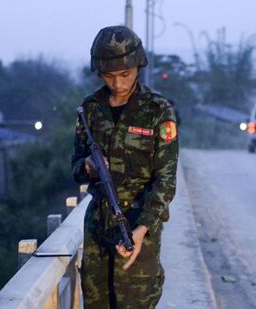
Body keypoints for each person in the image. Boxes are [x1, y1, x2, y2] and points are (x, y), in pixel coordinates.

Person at [71, 25, 179, 309]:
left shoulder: (158, 111)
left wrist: (143, 228)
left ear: (138, 66)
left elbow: (166, 181)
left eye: (125, 75)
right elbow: (74, 169)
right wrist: (88, 166)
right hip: (97, 229)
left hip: (138, 228)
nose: (117, 84)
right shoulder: (90, 109)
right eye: (109, 76)